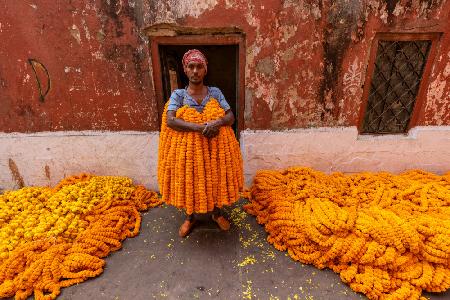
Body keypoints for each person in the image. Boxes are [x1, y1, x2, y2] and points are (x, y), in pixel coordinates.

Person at [166, 49, 235, 237]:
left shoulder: (215, 92)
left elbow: (230, 116)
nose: (195, 71)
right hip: (189, 151)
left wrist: (217, 122)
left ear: (205, 70)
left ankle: (216, 213)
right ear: (185, 70)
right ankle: (190, 217)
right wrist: (199, 128)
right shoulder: (178, 95)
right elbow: (170, 120)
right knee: (191, 181)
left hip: (214, 148)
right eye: (191, 67)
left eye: (199, 67)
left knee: (214, 180)